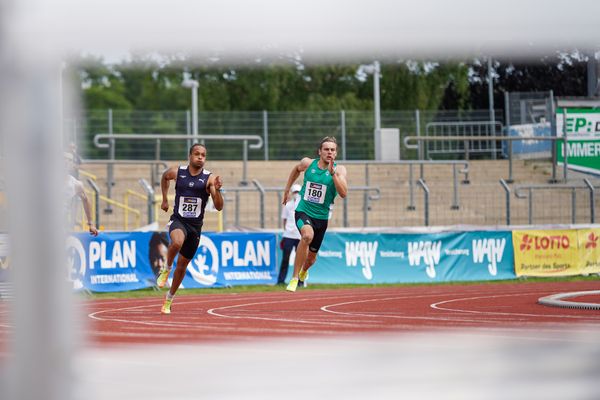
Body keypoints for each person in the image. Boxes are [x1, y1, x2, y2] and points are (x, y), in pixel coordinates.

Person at [156, 143, 224, 314]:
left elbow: (219, 207)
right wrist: (165, 199)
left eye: (203, 155)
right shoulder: (178, 172)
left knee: (183, 265)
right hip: (178, 220)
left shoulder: (209, 179)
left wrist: (217, 190)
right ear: (190, 156)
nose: (200, 157)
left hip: (195, 227)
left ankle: (169, 300)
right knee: (177, 242)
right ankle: (166, 268)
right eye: (197, 154)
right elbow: (165, 177)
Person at [282, 136, 347, 292]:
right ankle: (294, 278)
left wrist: (333, 175)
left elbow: (343, 193)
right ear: (320, 152)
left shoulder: (340, 170)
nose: (329, 152)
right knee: (306, 236)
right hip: (303, 210)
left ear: (336, 153)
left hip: (321, 217)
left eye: (332, 150)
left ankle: (304, 271)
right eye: (326, 149)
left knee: (311, 258)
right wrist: (287, 189)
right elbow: (296, 170)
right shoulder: (308, 163)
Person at [65, 152, 98, 236]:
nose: (65, 163)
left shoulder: (76, 184)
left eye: (69, 161)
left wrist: (91, 224)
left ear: (72, 165)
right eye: (63, 160)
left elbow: (86, 200)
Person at [277, 183, 302, 285]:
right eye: (295, 192)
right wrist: (286, 231)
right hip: (288, 235)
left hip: (300, 236)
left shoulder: (302, 205)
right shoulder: (287, 205)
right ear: (292, 193)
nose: (296, 194)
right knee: (285, 259)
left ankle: (300, 281)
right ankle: (281, 280)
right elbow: (284, 220)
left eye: (298, 192)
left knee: (300, 259)